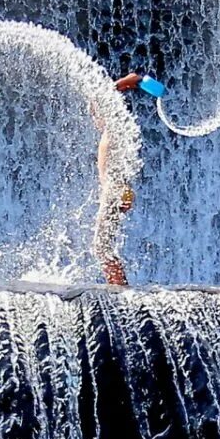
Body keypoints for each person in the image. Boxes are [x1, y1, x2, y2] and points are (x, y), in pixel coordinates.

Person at [91, 73, 140, 286]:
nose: (95, 116)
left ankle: (119, 286)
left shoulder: (114, 128)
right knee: (103, 245)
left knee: (100, 245)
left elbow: (99, 101)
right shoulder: (112, 131)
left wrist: (120, 84)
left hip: (116, 190)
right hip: (119, 190)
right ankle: (117, 283)